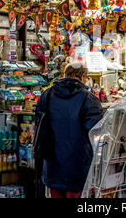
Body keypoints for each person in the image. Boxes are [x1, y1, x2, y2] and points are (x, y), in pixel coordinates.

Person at [35, 61, 103, 198]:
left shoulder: (47, 95)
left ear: (64, 75)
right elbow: (97, 129)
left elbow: (38, 125)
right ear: (83, 77)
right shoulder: (88, 99)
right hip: (77, 166)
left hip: (52, 164)